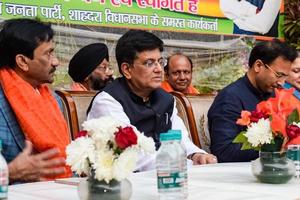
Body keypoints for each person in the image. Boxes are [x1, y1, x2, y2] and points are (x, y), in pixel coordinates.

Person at [87, 30, 217, 171]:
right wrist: (185, 164)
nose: (159, 69)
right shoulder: (108, 101)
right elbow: (132, 156)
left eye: (160, 62)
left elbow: (180, 138)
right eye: (149, 63)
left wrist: (196, 155)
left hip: (168, 176)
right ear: (127, 70)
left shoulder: (167, 99)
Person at [0, 18, 71, 183]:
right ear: (22, 62)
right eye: (48, 53)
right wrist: (10, 172)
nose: (56, 62)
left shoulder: (54, 101)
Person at [208, 39, 298, 162]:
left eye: (285, 77)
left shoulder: (274, 95)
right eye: (278, 75)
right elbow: (224, 151)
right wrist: (274, 147)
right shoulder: (230, 98)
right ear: (258, 66)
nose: (281, 83)